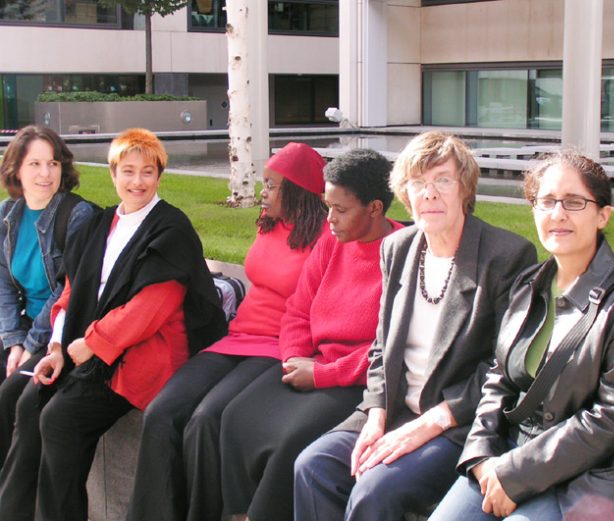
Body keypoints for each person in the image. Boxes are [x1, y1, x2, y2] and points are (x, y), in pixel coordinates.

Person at [293, 131, 537, 521]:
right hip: (393, 410)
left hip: (457, 421)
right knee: (313, 466)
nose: (430, 193)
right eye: (418, 183)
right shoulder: (399, 248)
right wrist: (375, 415)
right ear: (405, 193)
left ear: (465, 189)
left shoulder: (506, 256)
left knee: (375, 491)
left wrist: (428, 425)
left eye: (443, 180)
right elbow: (381, 344)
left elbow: (503, 368)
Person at [0, 128, 227, 521]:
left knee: (60, 418)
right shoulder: (100, 224)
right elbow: (72, 289)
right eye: (128, 171)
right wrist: (56, 346)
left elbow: (151, 308)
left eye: (147, 172)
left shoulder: (170, 229)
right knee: (30, 401)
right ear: (112, 173)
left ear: (160, 176)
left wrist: (90, 344)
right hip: (88, 348)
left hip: (144, 356)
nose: (137, 181)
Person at [429, 152, 614, 521]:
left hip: (591, 475)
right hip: (510, 452)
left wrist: (514, 475)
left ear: (602, 215)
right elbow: (499, 377)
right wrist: (481, 458)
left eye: (574, 202)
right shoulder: (529, 284)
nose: (558, 214)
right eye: (546, 201)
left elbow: (613, 418)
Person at [127, 141, 328, 521]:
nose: (262, 192)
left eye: (270, 185)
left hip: (277, 346)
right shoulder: (267, 224)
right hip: (237, 336)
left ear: (299, 190)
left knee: (207, 420)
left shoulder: (326, 236)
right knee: (162, 412)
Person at [219, 148, 404, 521]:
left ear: (375, 208)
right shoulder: (330, 241)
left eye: (340, 209)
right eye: (326, 205)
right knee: (235, 416)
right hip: (309, 362)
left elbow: (390, 345)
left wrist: (321, 374)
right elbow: (298, 309)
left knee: (290, 442)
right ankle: (237, 513)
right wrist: (293, 357)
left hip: (359, 379)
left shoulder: (402, 253)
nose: (329, 218)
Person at [0, 125, 95, 465]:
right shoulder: (6, 216)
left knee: (10, 395)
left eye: (53, 164)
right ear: (16, 170)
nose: (45, 173)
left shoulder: (77, 215)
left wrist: (28, 346)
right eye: (35, 164)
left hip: (60, 327)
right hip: (25, 326)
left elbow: (65, 290)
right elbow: (4, 286)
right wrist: (14, 341)